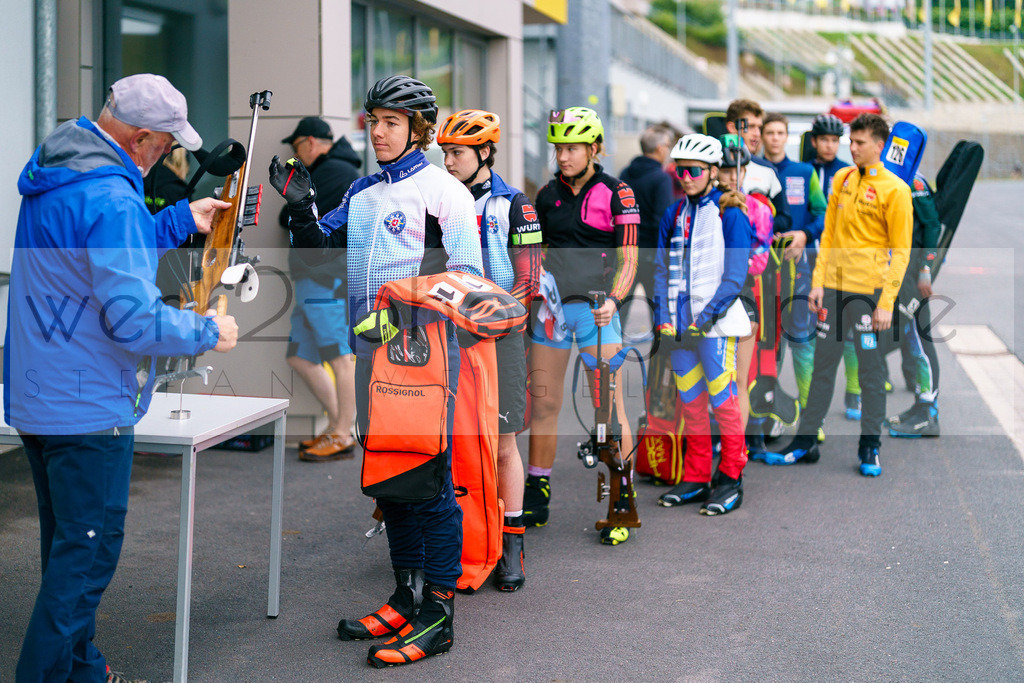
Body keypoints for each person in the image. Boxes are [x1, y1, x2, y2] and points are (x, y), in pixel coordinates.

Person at [5, 73, 238, 683]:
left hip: (41, 393)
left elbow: (95, 253)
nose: (169, 155)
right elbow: (132, 320)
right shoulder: (110, 196)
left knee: (68, 550)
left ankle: (83, 670)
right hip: (85, 403)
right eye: (165, 145)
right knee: (85, 558)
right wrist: (210, 332)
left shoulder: (62, 171)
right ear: (139, 138)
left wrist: (178, 218)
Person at [272, 74, 482, 667]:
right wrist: (299, 207)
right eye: (374, 120)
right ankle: (404, 594)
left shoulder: (447, 193)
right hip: (372, 360)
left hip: (425, 359)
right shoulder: (363, 191)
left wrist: (395, 324)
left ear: (419, 130)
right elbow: (317, 250)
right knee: (389, 481)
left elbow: (467, 281)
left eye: (393, 122)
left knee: (431, 486)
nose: (379, 132)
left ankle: (438, 612)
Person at [765, 114, 912, 477]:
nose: (852, 147)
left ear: (879, 146)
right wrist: (817, 282)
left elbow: (902, 251)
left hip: (869, 294)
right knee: (823, 368)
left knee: (870, 372)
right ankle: (805, 442)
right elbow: (827, 235)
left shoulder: (896, 190)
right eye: (852, 140)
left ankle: (870, 447)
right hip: (832, 290)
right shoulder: (844, 179)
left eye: (860, 142)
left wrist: (886, 302)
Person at [524, 107, 640, 545]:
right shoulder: (547, 195)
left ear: (594, 148)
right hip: (554, 311)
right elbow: (538, 253)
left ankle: (622, 499)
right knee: (544, 404)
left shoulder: (618, 193)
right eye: (558, 148)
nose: (563, 156)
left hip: (598, 313)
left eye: (572, 147)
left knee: (609, 413)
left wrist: (614, 300)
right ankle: (537, 490)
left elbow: (629, 257)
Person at [437, 109, 541, 590]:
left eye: (457, 153)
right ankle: (465, 538)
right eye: (445, 153)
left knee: (503, 444)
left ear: (484, 153)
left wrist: (490, 319)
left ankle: (512, 541)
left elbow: (529, 279)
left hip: (501, 339)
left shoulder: (516, 204)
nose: (449, 162)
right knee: (454, 444)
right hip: (449, 337)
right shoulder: (439, 201)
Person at [653, 134, 753, 515]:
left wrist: (705, 320)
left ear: (713, 172)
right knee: (690, 403)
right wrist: (664, 320)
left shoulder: (731, 214)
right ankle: (696, 476)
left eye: (693, 170)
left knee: (722, 403)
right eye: (680, 170)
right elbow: (661, 269)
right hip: (678, 328)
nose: (686, 176)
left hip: (717, 326)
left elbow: (734, 278)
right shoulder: (673, 213)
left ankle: (730, 477)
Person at [277, 116, 361, 461]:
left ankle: (344, 432)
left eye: (296, 147)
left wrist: (292, 206)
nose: (295, 155)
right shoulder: (332, 171)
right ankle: (337, 424)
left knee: (340, 357)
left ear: (311, 142)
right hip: (313, 278)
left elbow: (287, 217)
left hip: (327, 278)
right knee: (299, 356)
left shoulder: (336, 172)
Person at [758, 112, 827, 439]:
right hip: (761, 270)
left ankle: (812, 419)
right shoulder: (752, 170)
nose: (774, 138)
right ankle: (768, 411)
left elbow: (822, 212)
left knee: (801, 338)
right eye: (769, 132)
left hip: (797, 268)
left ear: (787, 136)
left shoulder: (804, 171)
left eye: (780, 132)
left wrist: (803, 235)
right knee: (766, 344)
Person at [714, 135, 775, 460]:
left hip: (743, 296)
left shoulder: (758, 210)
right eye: (725, 169)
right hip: (702, 300)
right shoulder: (706, 205)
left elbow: (759, 259)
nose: (732, 175)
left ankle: (734, 449)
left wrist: (728, 264)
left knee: (738, 377)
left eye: (738, 168)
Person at [809, 112, 864, 422]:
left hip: (843, 265)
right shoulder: (806, 171)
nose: (830, 146)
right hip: (812, 263)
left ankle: (854, 390)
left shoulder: (848, 172)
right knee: (820, 338)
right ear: (814, 141)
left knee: (851, 336)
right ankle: (813, 407)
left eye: (835, 140)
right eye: (824, 140)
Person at [886, 171, 942, 438]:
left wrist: (925, 269)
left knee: (920, 340)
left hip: (912, 273)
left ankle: (929, 413)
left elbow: (933, 224)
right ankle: (920, 405)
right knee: (909, 339)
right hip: (891, 273)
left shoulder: (913, 179)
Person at [618, 125, 675, 307]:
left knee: (621, 307)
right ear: (660, 148)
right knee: (658, 309)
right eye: (668, 146)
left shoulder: (625, 173)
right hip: (651, 253)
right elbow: (662, 221)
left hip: (626, 250)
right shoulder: (661, 178)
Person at [723, 98, 792, 235]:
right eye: (751, 127)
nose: (757, 134)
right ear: (732, 127)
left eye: (759, 128)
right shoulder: (711, 164)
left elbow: (785, 219)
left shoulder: (767, 169)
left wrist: (758, 221)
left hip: (755, 253)